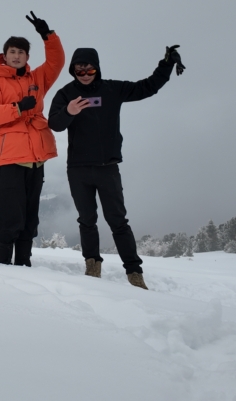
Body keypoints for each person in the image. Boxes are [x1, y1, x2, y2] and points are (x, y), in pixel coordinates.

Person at [48, 45, 185, 290]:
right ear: (73, 70)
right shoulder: (66, 93)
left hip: (107, 167)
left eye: (90, 70)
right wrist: (69, 111)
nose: (85, 74)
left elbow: (146, 87)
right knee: (87, 220)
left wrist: (165, 65)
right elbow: (54, 124)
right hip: (78, 169)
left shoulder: (112, 89)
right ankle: (92, 265)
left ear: (97, 69)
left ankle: (134, 272)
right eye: (80, 70)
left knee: (118, 221)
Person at [0, 12, 65, 266]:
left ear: (27, 57)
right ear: (4, 55)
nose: (16, 56)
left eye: (21, 52)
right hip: (11, 159)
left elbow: (56, 63)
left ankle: (24, 263)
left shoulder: (36, 79)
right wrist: (16, 108)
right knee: (10, 216)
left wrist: (48, 36)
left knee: (30, 217)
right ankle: (4, 264)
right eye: (12, 52)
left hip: (37, 158)